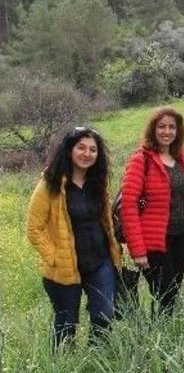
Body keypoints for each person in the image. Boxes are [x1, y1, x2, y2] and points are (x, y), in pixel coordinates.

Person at [26, 127, 121, 350]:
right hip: (65, 267)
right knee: (66, 324)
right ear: (69, 150)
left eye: (92, 149)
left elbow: (106, 221)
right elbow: (34, 228)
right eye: (81, 147)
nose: (87, 154)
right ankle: (63, 363)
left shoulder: (98, 182)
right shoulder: (51, 183)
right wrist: (55, 257)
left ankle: (95, 357)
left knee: (104, 314)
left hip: (100, 262)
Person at [120, 107, 184, 316]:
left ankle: (163, 334)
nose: (166, 132)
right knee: (164, 291)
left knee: (173, 291)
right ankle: (157, 336)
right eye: (161, 127)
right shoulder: (142, 160)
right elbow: (128, 205)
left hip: (181, 236)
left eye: (171, 127)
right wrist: (137, 250)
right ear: (153, 130)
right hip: (154, 241)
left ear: (178, 131)